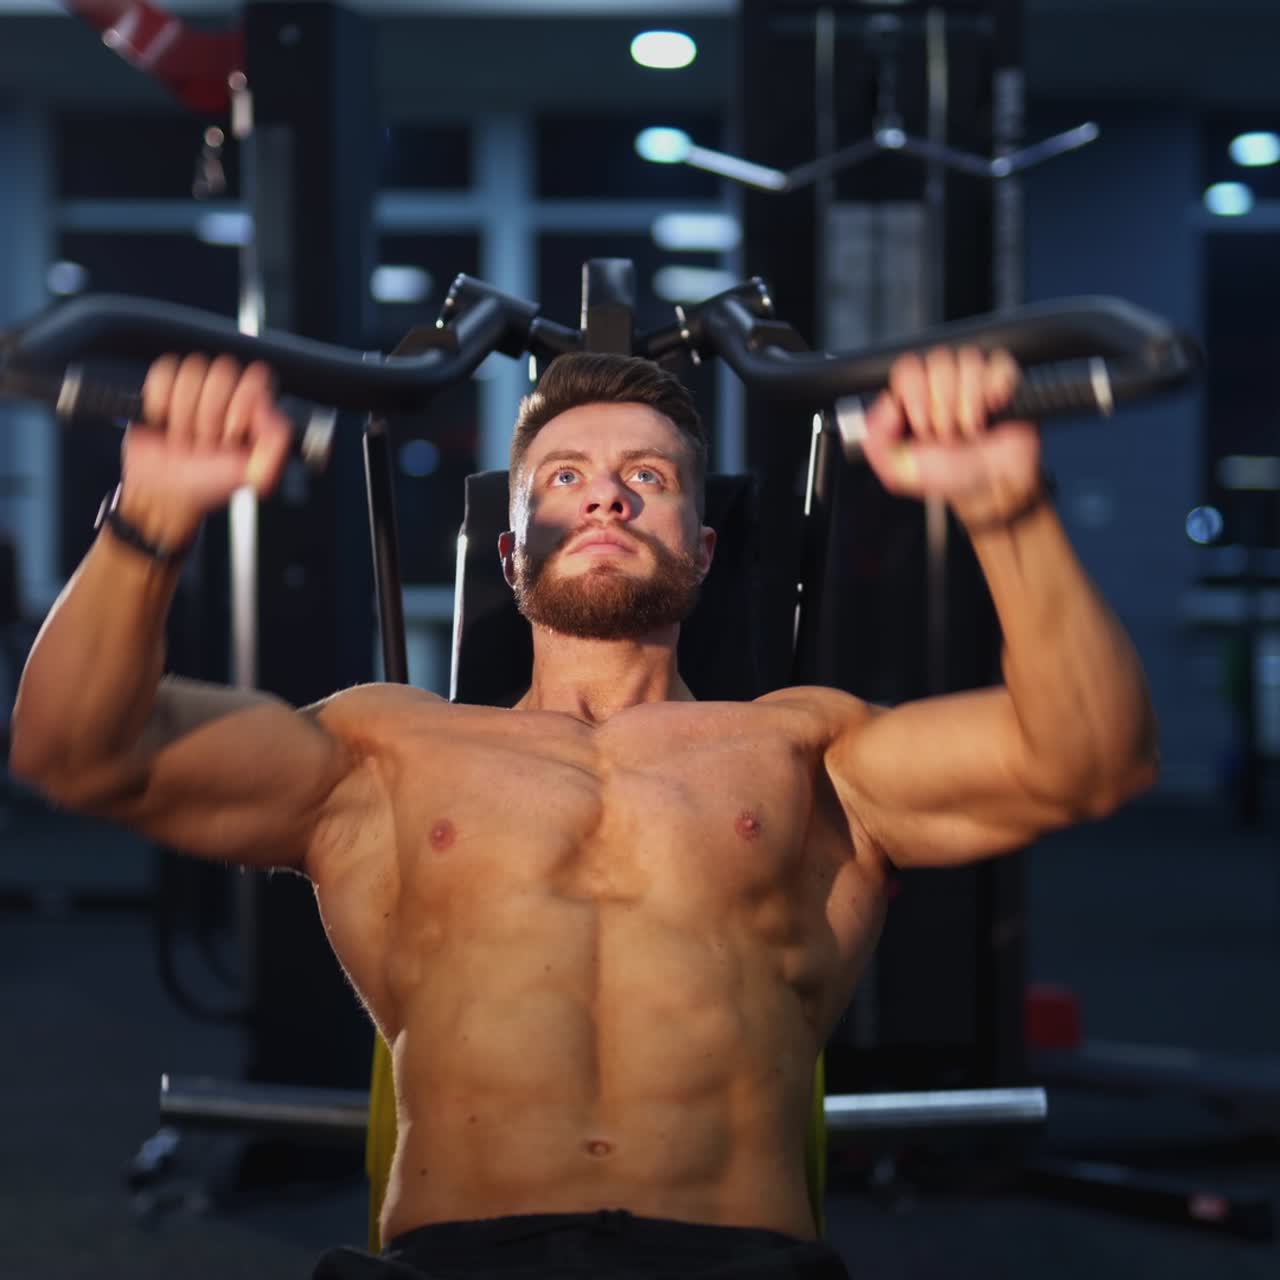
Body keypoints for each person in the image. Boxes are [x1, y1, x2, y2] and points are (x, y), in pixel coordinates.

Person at [10, 345, 1158, 1279]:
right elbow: (75, 749)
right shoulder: (384, 744)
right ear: (509, 557)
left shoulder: (809, 746)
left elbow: (1088, 757)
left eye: (647, 476)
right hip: (453, 1262)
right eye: (563, 474)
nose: (606, 488)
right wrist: (149, 514)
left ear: (701, 553)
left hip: (735, 1259)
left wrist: (1006, 508)